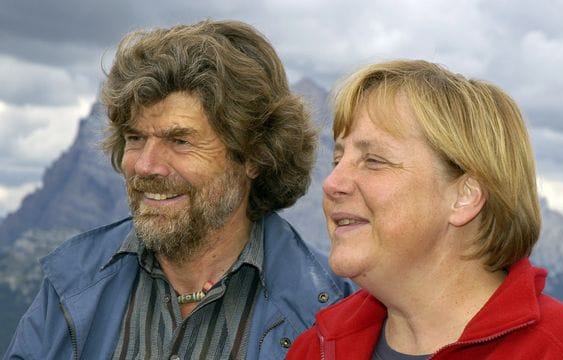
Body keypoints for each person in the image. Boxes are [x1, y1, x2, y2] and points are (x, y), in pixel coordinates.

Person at [4, 19, 354, 360]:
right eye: (135, 138)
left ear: (253, 156)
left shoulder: (333, 309)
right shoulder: (71, 283)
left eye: (180, 140)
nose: (146, 165)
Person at [286, 60, 563, 359]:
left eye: (373, 160)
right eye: (336, 159)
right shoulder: (315, 348)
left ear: (465, 196)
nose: (332, 182)